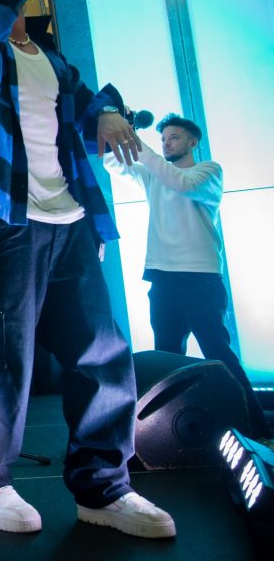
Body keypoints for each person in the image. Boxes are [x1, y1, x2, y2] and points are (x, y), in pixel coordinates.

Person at [0, 0, 175, 538]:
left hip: (70, 221)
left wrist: (108, 111)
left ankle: (103, 489)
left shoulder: (50, 58)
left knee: (102, 355)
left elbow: (90, 107)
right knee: (0, 357)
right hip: (7, 221)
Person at [105, 114, 271, 439]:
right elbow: (113, 164)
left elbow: (181, 184)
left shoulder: (208, 171)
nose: (166, 143)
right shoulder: (154, 175)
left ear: (193, 142)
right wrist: (119, 132)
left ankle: (258, 430)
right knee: (166, 358)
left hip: (201, 280)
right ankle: (166, 436)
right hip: (162, 280)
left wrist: (139, 145)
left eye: (174, 138)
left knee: (219, 354)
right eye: (163, 139)